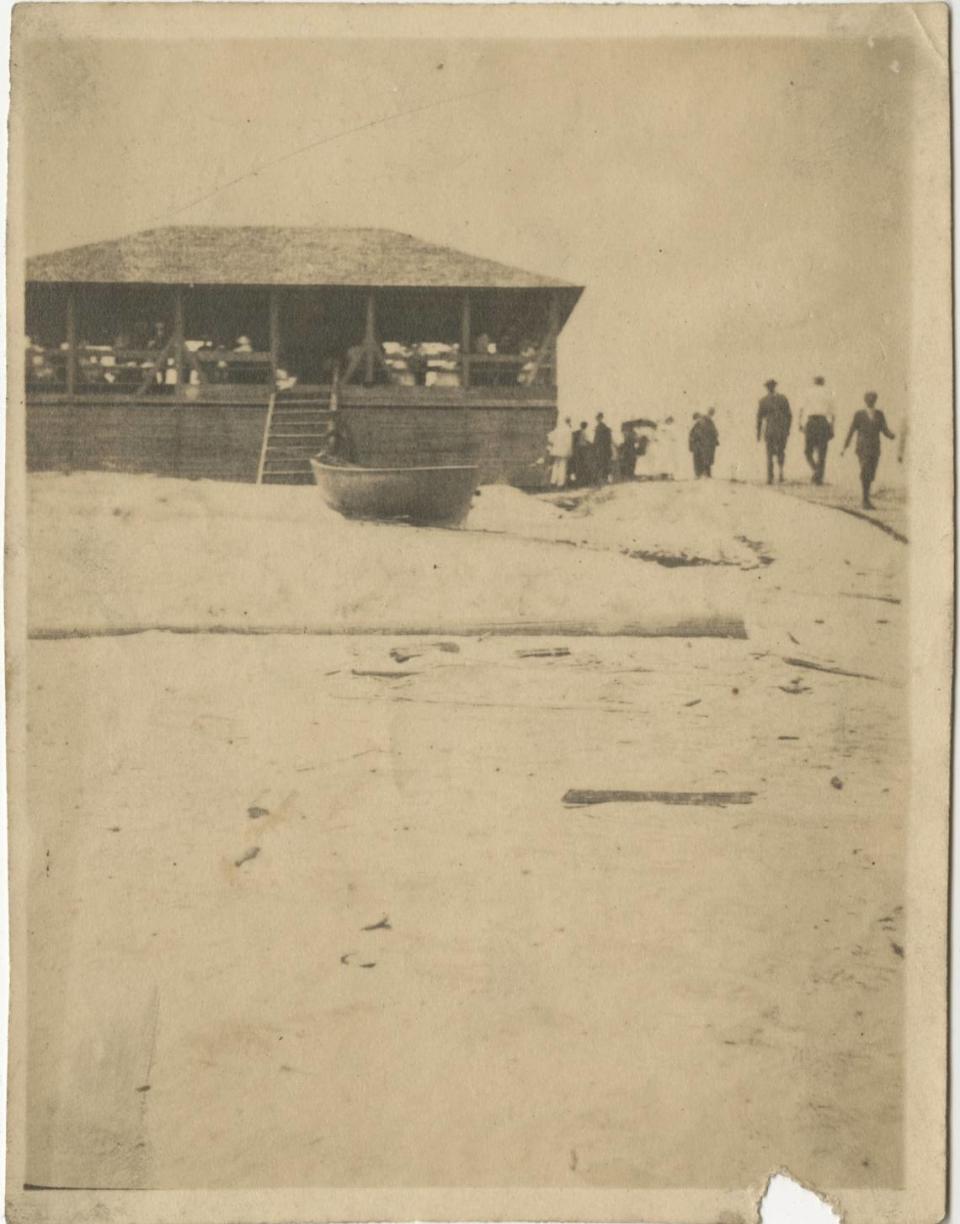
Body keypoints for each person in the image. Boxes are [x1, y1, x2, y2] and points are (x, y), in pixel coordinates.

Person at [842, 391, 895, 510]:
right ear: (865, 400)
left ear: (875, 400)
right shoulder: (859, 414)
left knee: (871, 473)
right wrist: (845, 445)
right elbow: (851, 430)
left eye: (873, 398)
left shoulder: (880, 414)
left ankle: (866, 498)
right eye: (869, 398)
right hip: (862, 447)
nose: (871, 400)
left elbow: (884, 428)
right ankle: (865, 499)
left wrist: (891, 435)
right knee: (865, 470)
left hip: (875, 447)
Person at [798, 375, 836, 485]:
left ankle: (816, 471)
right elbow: (833, 414)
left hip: (811, 422)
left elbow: (801, 409)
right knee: (822, 452)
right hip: (823, 423)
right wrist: (832, 428)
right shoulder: (829, 393)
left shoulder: (808, 392)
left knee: (808, 451)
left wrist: (800, 423)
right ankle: (819, 477)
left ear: (814, 382)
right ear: (823, 382)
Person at [756, 378, 792, 484]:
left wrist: (758, 433)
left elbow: (759, 418)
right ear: (775, 387)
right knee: (781, 451)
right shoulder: (783, 398)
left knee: (769, 452)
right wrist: (788, 429)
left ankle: (770, 477)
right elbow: (789, 415)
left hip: (770, 429)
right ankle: (780, 473)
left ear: (767, 388)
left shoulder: (763, 400)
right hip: (781, 429)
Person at [547, 416, 574, 488]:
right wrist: (570, 452)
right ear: (569, 421)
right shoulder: (568, 430)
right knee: (563, 466)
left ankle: (553, 482)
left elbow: (550, 437)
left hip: (556, 450)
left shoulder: (558, 428)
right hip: (564, 451)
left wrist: (554, 445)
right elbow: (569, 442)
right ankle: (560, 483)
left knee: (555, 465)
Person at [593, 412, 614, 485]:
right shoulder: (606, 427)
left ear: (600, 418)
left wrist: (594, 446)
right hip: (606, 448)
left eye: (598, 418)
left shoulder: (599, 427)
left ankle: (602, 478)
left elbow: (596, 439)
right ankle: (606, 478)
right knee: (606, 463)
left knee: (601, 463)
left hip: (601, 448)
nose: (597, 419)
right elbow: (609, 439)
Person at [571, 420, 592, 487]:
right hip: (583, 450)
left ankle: (578, 481)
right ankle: (584, 481)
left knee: (578, 465)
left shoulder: (578, 432)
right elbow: (588, 441)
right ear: (586, 426)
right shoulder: (585, 432)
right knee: (584, 464)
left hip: (578, 449)